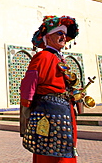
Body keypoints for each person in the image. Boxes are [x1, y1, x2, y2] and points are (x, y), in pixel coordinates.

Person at [20, 15, 82, 163]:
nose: (63, 37)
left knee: (63, 150)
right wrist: (26, 108)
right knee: (49, 153)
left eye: (65, 34)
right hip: (48, 113)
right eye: (59, 33)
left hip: (64, 111)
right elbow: (30, 83)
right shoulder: (42, 57)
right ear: (48, 37)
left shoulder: (61, 59)